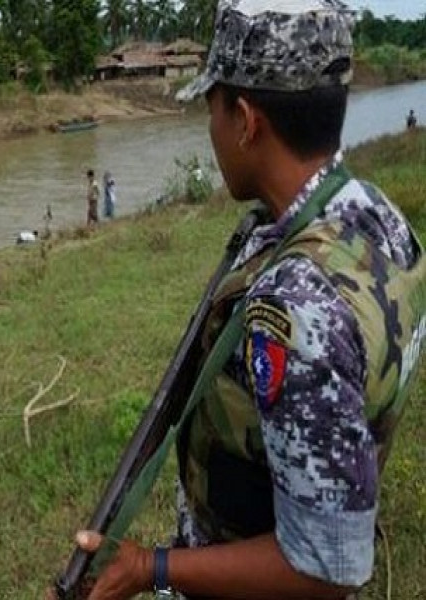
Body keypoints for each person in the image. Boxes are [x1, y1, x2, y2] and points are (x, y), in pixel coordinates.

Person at [69, 2, 426, 599]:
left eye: (211, 108)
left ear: (244, 120)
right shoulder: (375, 214)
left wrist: (149, 569)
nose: (208, 132)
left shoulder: (296, 313)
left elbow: (324, 568)